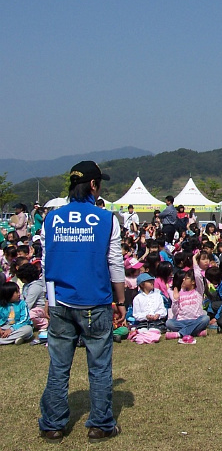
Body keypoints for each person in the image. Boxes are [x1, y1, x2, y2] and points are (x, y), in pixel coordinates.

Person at [39, 161, 126, 444]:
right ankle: (100, 424)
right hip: (95, 301)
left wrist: (48, 302)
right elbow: (115, 263)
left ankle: (53, 424)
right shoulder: (105, 219)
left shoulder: (51, 218)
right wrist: (121, 301)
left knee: (59, 366)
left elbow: (45, 263)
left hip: (60, 301)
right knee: (99, 366)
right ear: (93, 185)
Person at [165, 257, 210, 344]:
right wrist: (175, 300)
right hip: (181, 321)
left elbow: (198, 276)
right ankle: (196, 332)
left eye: (186, 278)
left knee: (205, 318)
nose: (183, 280)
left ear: (193, 282)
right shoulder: (179, 293)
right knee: (169, 323)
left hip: (195, 319)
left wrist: (194, 259)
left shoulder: (198, 291)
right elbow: (175, 312)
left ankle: (179, 334)